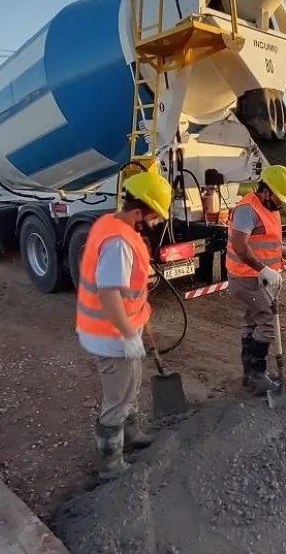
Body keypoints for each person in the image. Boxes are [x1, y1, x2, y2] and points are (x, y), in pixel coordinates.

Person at [75, 170, 172, 475]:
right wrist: (130, 335)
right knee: (118, 399)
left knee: (131, 386)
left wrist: (140, 322)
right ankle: (110, 463)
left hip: (121, 330)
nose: (156, 221)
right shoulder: (118, 242)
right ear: (138, 211)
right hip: (110, 334)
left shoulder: (114, 224)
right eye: (154, 214)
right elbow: (109, 294)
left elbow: (129, 290)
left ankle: (132, 435)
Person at [226, 165, 286, 394]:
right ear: (265, 190)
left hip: (259, 277)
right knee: (266, 321)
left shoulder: (268, 207)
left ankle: (249, 374)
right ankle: (257, 374)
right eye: (278, 197)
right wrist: (264, 270)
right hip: (247, 277)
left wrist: (272, 270)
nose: (281, 203)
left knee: (252, 321)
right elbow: (240, 246)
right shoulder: (247, 209)